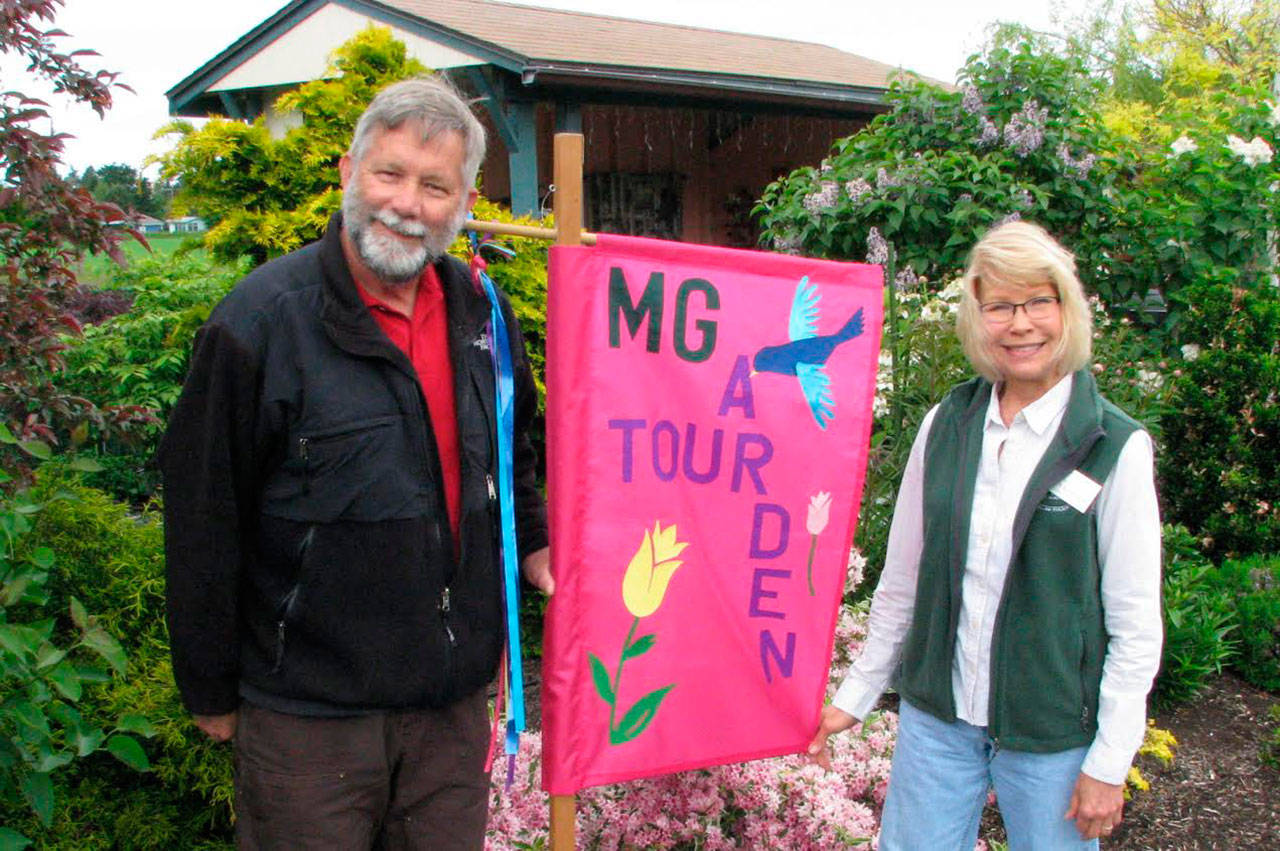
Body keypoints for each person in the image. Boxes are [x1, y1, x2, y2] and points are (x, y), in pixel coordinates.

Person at [160, 75, 552, 850]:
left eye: (436, 186)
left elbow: (518, 448)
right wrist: (208, 687)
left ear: (464, 201)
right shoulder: (259, 323)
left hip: (449, 713)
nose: (407, 203)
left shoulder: (484, 312)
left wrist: (534, 544)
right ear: (347, 172)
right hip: (310, 718)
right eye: (390, 173)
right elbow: (204, 509)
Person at [807, 221, 1162, 849]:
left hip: (1051, 731)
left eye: (1037, 302)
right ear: (977, 318)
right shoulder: (947, 423)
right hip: (937, 722)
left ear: (1066, 308)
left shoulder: (1113, 445)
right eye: (999, 305)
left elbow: (1135, 626)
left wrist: (1108, 762)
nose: (1020, 324)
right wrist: (855, 697)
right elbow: (903, 580)